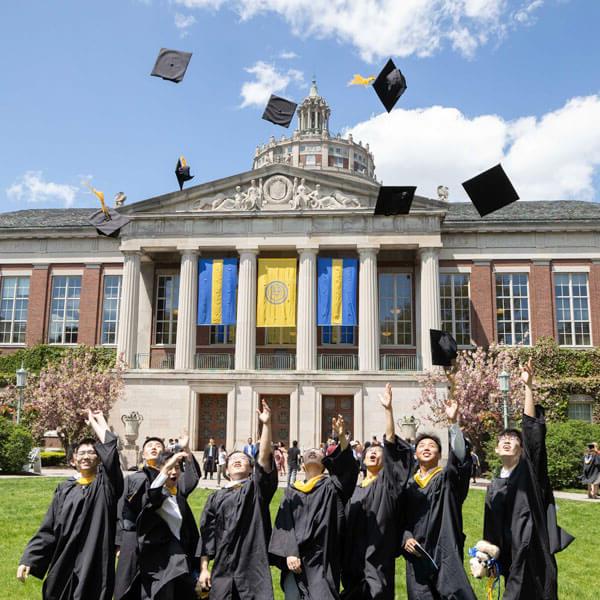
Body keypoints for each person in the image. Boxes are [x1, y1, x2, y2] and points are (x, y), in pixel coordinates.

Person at [483, 359, 574, 599]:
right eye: (502, 439)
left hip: (535, 557)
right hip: (511, 558)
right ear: (495, 450)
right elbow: (490, 527)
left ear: (522, 450)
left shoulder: (529, 472)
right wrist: (487, 556)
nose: (506, 440)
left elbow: (532, 433)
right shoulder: (493, 486)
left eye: (513, 439)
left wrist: (528, 388)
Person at [17, 409, 124, 600]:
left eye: (92, 452)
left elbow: (111, 451)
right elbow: (49, 528)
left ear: (99, 458)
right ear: (73, 459)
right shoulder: (65, 489)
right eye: (81, 453)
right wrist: (30, 558)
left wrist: (97, 421)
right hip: (64, 558)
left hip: (95, 560)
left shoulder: (106, 485)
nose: (86, 456)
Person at [401, 372, 477, 600]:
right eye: (421, 445)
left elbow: (461, 459)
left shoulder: (447, 480)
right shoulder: (409, 485)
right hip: (417, 551)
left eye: (432, 446)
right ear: (415, 453)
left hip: (446, 548)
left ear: (439, 453)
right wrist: (405, 537)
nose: (426, 447)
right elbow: (400, 518)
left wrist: (453, 423)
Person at [269, 414, 359, 600]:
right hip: (296, 560)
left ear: (325, 465)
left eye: (317, 452)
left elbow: (347, 468)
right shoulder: (291, 492)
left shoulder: (333, 488)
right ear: (302, 465)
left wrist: (342, 437)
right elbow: (284, 525)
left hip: (323, 559)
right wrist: (290, 553)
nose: (312, 452)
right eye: (308, 452)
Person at [197, 399, 278, 599]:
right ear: (226, 470)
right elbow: (207, 536)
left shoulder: (255, 489)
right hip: (224, 568)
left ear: (251, 469)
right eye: (233, 460)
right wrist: (204, 568)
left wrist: (266, 425)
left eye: (242, 459)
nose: (237, 461)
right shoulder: (216, 497)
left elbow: (264, 458)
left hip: (253, 567)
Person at [341, 383, 412, 600]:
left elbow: (392, 448)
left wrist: (388, 411)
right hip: (352, 553)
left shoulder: (387, 483)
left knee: (377, 592)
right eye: (370, 451)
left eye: (378, 452)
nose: (373, 454)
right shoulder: (355, 487)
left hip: (378, 552)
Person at [136, 446, 201, 600]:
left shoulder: (179, 495)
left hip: (181, 559)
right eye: (170, 468)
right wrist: (167, 466)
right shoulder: (154, 495)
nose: (173, 472)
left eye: (177, 468)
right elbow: (154, 492)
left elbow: (192, 479)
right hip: (161, 563)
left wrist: (187, 450)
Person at [115, 435, 166, 600]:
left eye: (158, 446)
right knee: (126, 583)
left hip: (161, 538)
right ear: (143, 454)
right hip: (132, 537)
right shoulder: (132, 478)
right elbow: (121, 510)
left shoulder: (170, 480)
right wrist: (119, 541)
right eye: (150, 446)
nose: (154, 448)